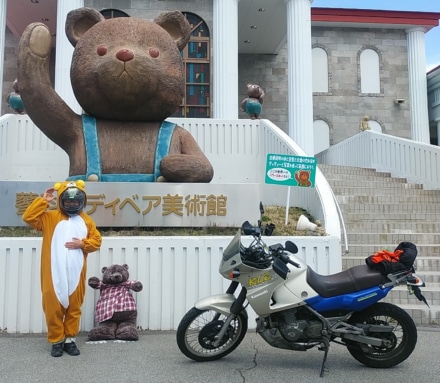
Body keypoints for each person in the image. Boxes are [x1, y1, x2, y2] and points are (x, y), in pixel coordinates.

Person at [22, 180, 102, 357]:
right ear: (61, 201)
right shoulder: (50, 217)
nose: (72, 204)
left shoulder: (87, 221)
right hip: (53, 273)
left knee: (74, 307)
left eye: (75, 201)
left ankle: (70, 340)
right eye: (68, 201)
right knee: (52, 307)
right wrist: (43, 201)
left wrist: (83, 243)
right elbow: (28, 217)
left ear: (82, 201)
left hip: (76, 273)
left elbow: (97, 242)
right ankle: (56, 341)